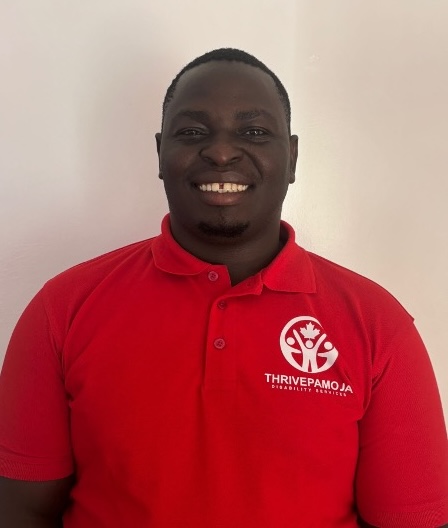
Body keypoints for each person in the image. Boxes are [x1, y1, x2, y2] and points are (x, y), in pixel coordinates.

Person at [0, 48, 447, 528]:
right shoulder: (63, 309)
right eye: (193, 132)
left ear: (292, 158)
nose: (220, 152)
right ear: (160, 153)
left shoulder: (377, 325)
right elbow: (20, 510)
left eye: (254, 132)